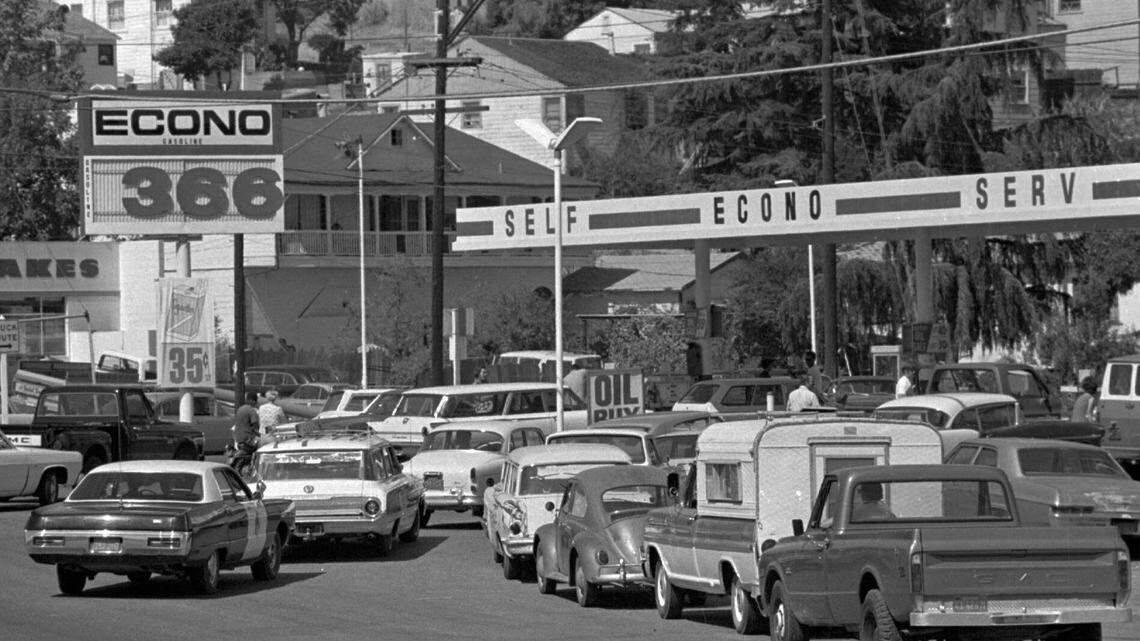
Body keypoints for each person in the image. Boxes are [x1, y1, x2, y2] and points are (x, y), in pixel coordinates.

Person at [232, 392, 261, 459]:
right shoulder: (251, 410)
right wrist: (261, 435)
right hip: (247, 438)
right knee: (262, 444)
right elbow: (255, 427)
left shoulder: (240, 409)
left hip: (238, 438)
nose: (255, 403)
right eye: (255, 401)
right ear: (251, 401)